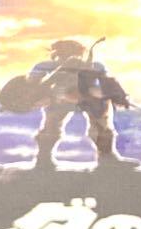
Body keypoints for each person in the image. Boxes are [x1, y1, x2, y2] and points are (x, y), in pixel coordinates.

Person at [25, 39, 129, 167]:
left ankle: (107, 156)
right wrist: (45, 95)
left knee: (101, 123)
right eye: (65, 53)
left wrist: (118, 95)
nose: (71, 58)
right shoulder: (45, 67)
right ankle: (43, 157)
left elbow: (107, 84)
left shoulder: (95, 66)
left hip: (89, 100)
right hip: (58, 101)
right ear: (57, 54)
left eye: (73, 53)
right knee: (51, 127)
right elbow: (33, 86)